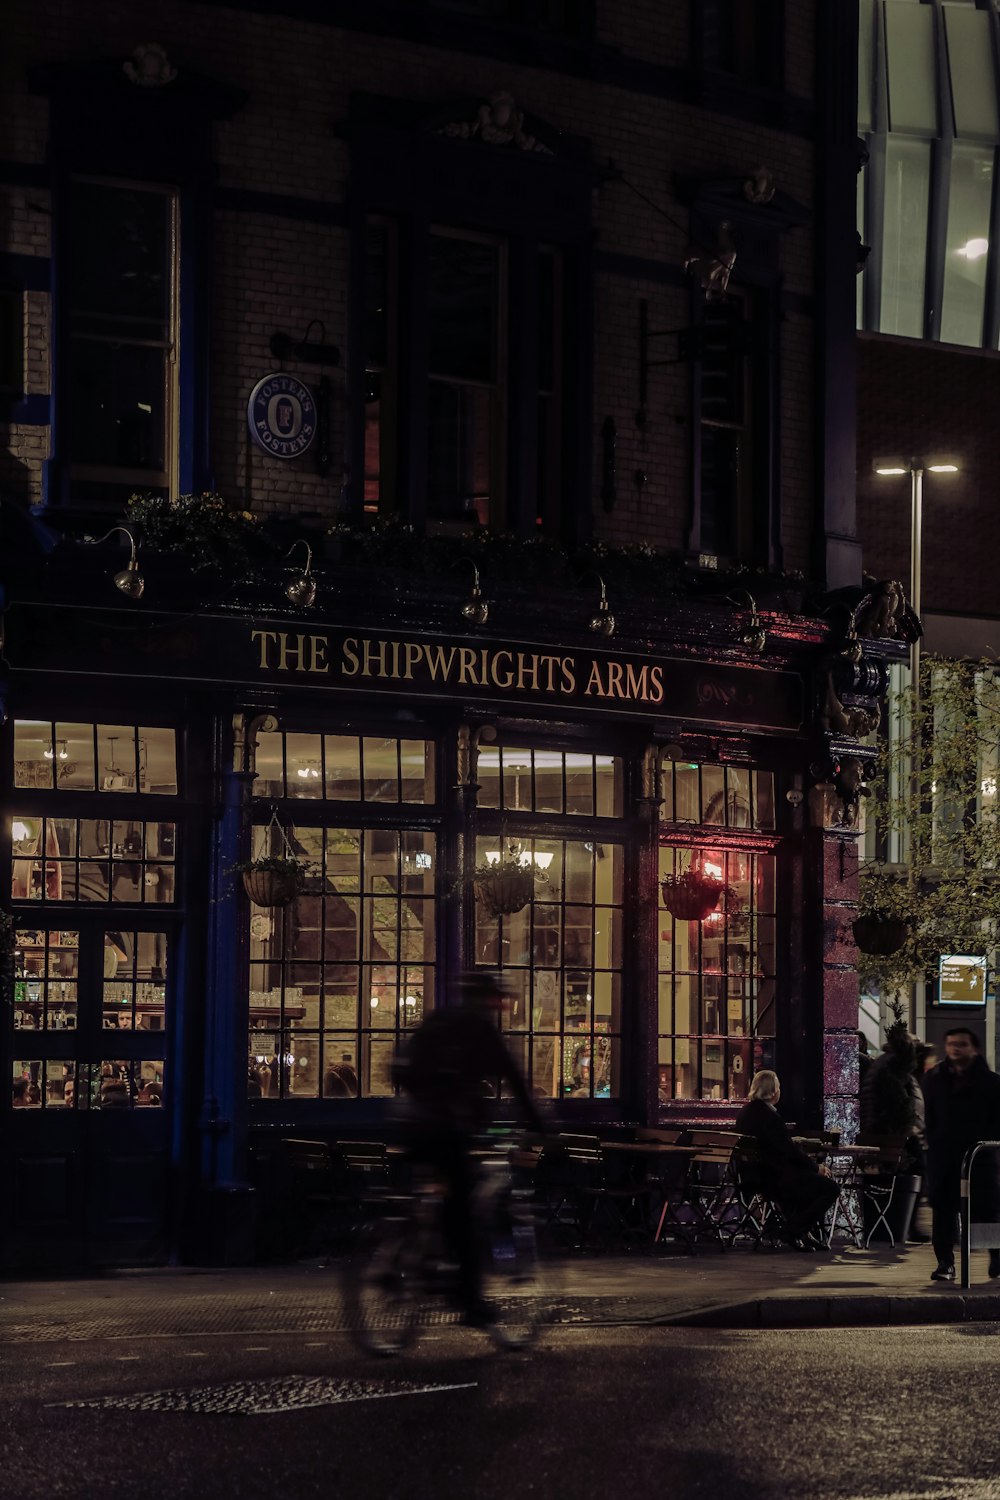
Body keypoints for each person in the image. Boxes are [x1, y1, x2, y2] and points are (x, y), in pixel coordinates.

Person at [394, 970, 547, 1325]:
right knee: (465, 1212)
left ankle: (422, 1251)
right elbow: (516, 1083)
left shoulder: (438, 1021)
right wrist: (541, 1127)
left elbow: (400, 1065)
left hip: (409, 1123)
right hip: (445, 1130)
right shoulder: (482, 1032)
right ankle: (470, 1301)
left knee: (439, 1196)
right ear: (490, 1002)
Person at [921, 1027, 1000, 1282]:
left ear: (974, 1048)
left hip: (979, 1157)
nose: (956, 1048)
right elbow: (930, 1116)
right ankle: (945, 1262)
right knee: (943, 1211)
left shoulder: (990, 1082)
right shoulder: (934, 1078)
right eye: (952, 1044)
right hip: (944, 1157)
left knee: (986, 1210)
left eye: (962, 1044)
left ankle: (996, 1260)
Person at [734, 1069, 839, 1250]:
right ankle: (794, 1231)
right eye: (779, 1087)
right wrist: (816, 1167)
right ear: (774, 1091)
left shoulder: (745, 1113)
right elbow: (788, 1151)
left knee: (804, 1185)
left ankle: (803, 1232)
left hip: (751, 1175)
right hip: (773, 1178)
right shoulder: (770, 1117)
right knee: (830, 1188)